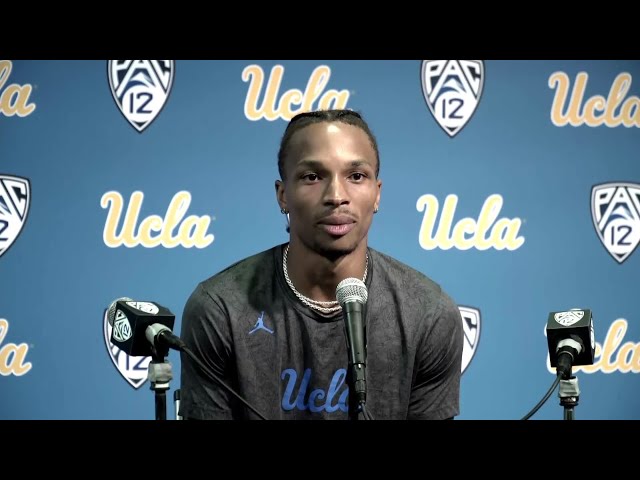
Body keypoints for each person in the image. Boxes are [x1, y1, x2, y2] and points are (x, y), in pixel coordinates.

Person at [178, 109, 464, 420]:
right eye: (312, 177)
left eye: (356, 176)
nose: (336, 196)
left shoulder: (428, 314)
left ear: (377, 194)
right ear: (283, 195)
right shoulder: (220, 310)